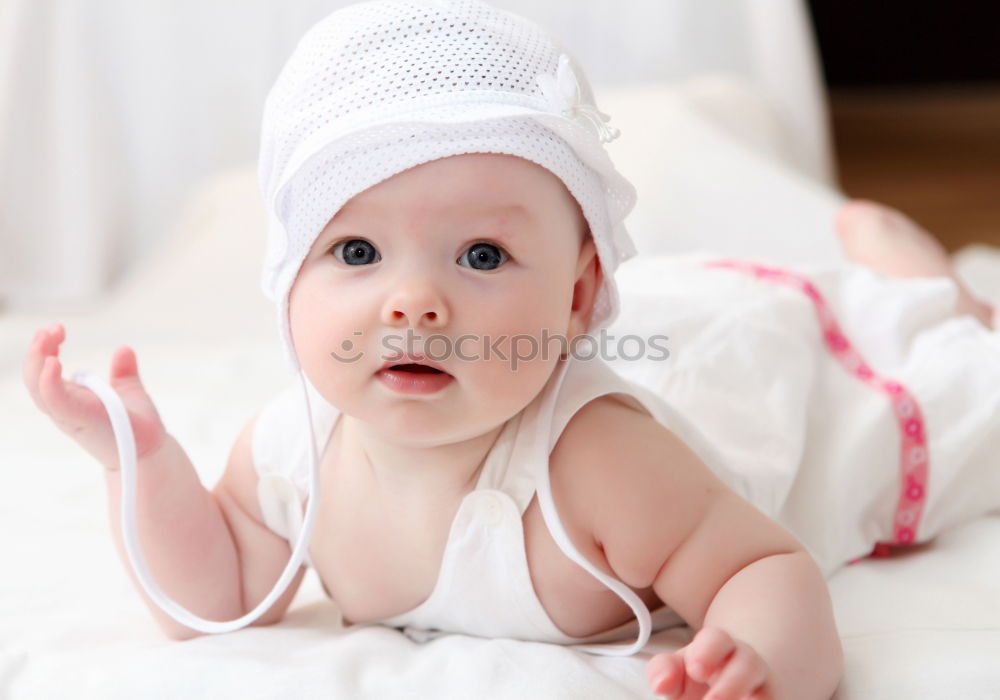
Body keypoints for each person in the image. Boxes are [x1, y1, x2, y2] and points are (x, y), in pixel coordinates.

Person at [20, 1, 1000, 698]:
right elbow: (214, 599)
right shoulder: (289, 452)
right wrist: (137, 460)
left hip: (762, 389)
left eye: (481, 253)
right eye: (355, 249)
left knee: (948, 391)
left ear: (577, 297)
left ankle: (925, 286)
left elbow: (765, 569)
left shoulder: (601, 468)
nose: (415, 299)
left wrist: (759, 661)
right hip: (626, 335)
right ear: (288, 280)